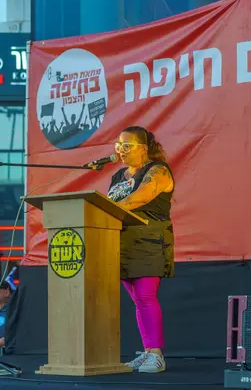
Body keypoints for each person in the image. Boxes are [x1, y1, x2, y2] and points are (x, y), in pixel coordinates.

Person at [107, 126, 175, 373]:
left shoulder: (157, 170)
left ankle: (157, 355)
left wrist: (104, 210)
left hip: (148, 240)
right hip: (121, 241)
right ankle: (147, 351)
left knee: (146, 296)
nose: (121, 150)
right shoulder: (118, 176)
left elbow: (140, 198)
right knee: (137, 301)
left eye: (127, 145)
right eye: (118, 145)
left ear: (143, 148)